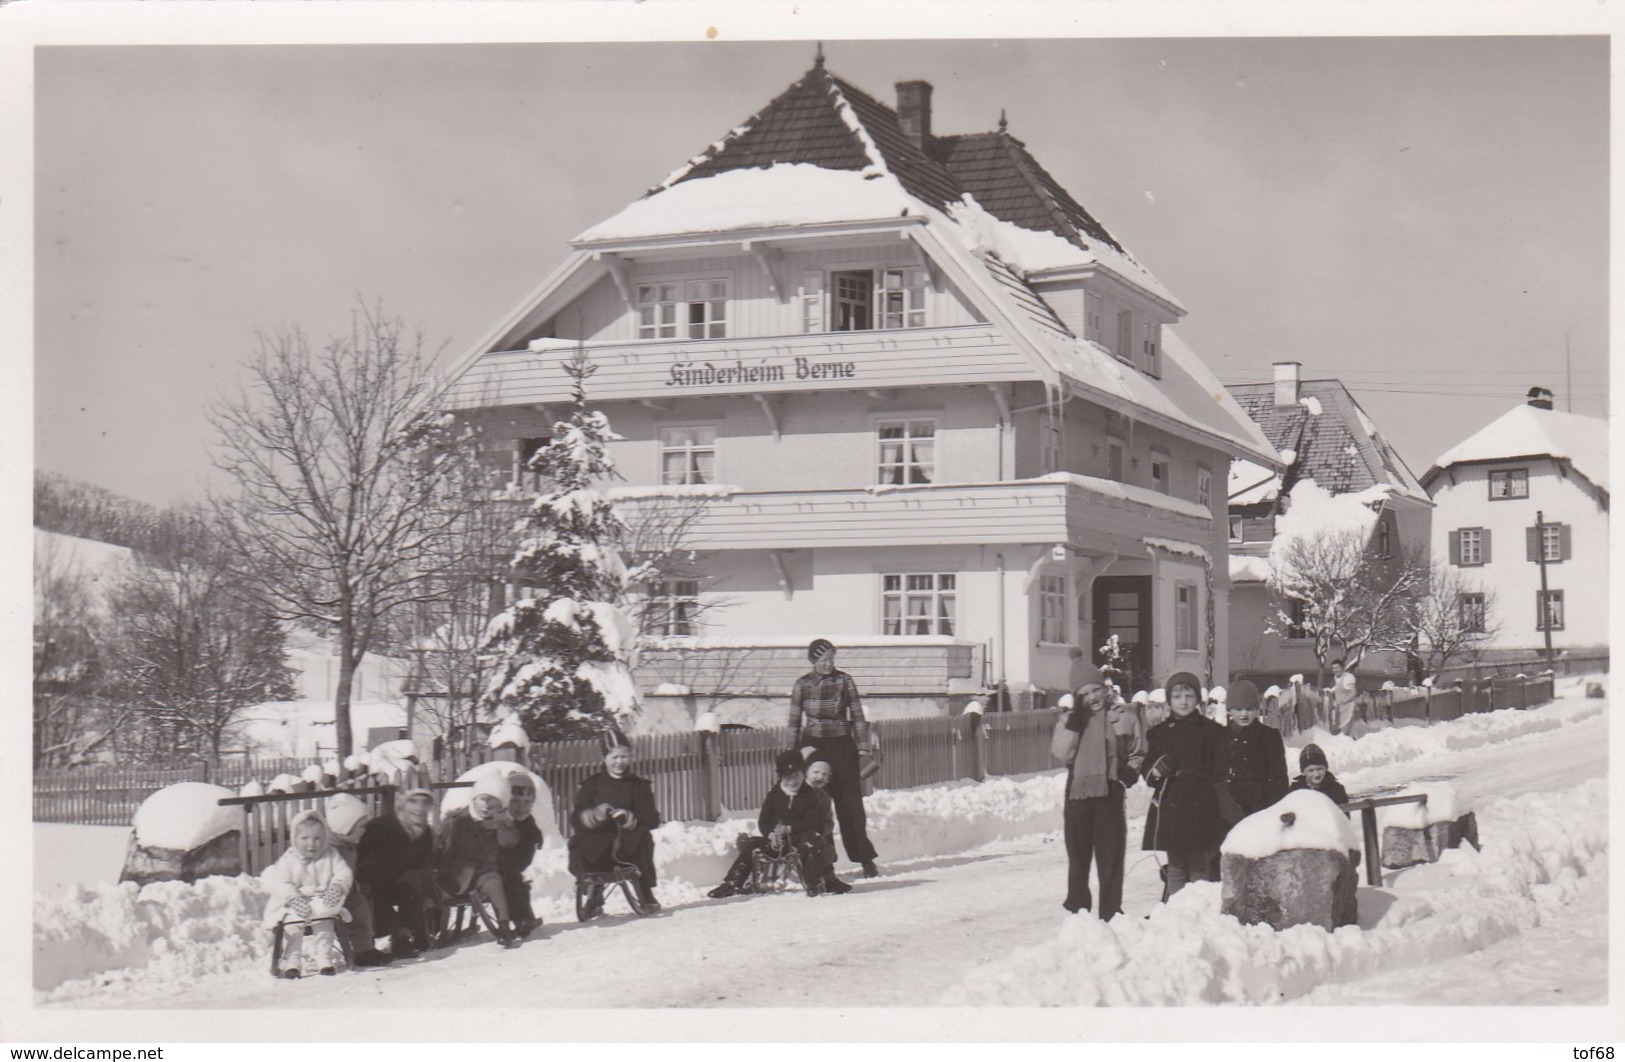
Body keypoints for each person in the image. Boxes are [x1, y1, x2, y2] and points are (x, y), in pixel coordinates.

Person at [1051, 663, 1146, 920]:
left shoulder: (1123, 716)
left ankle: (1111, 913)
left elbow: (1138, 751)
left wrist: (1129, 774)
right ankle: (1079, 913)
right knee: (1078, 859)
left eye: (1096, 690)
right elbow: (1060, 753)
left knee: (1111, 859)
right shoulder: (1069, 721)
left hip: (1110, 794)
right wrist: (1074, 724)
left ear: (1105, 690)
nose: (1092, 698)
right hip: (1078, 797)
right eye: (1084, 694)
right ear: (1077, 697)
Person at [789, 638, 880, 877]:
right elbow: (794, 723)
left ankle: (865, 859)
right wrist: (791, 755)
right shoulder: (803, 684)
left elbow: (858, 717)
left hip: (841, 746)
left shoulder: (844, 681)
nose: (828, 664)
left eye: (831, 659)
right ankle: (823, 860)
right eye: (823, 659)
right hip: (813, 747)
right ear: (813, 661)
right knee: (816, 805)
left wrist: (863, 749)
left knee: (850, 805)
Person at [708, 749, 845, 899]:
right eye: (788, 778)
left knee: (812, 842)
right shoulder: (775, 795)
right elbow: (764, 819)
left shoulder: (809, 795)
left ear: (802, 774)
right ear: (781, 777)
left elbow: (812, 821)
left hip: (800, 839)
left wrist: (791, 829)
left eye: (796, 776)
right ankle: (733, 883)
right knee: (752, 846)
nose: (792, 781)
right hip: (778, 840)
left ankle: (814, 883)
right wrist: (770, 833)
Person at [1140, 670, 1227, 900]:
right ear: (1169, 701)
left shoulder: (1212, 732)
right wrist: (1158, 769)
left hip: (1202, 805)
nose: (1183, 702)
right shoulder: (1159, 734)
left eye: (1188, 696)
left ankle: (1200, 909)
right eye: (1177, 697)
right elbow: (1148, 774)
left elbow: (1221, 768)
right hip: (1172, 807)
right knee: (1176, 865)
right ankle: (1177, 911)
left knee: (1200, 863)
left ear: (1197, 699)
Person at [568, 731, 662, 916]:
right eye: (614, 757)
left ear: (631, 756)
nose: (619, 762)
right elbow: (577, 818)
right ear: (603, 757)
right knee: (580, 843)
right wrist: (594, 816)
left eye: (624, 756)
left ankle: (645, 893)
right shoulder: (591, 786)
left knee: (643, 838)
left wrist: (630, 818)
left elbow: (652, 818)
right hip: (598, 844)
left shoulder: (639, 786)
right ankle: (593, 892)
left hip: (628, 846)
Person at [261, 810, 353, 978]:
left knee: (324, 921)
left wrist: (337, 886)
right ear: (295, 839)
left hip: (322, 900)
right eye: (305, 838)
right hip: (295, 903)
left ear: (324, 839)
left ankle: (324, 959)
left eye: (317, 838)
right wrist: (293, 898)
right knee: (292, 924)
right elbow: (281, 882)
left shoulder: (331, 855)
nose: (311, 843)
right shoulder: (289, 859)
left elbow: (343, 872)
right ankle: (292, 961)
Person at [434, 773, 522, 948]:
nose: (486, 806)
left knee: (494, 884)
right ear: (474, 798)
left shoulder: (500, 823)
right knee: (435, 893)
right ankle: (430, 930)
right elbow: (439, 846)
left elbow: (510, 842)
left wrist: (503, 824)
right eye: (482, 799)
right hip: (455, 874)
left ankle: (504, 925)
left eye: (494, 803)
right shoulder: (456, 820)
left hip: (484, 873)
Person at [355, 787, 436, 960]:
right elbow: (366, 864)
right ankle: (394, 931)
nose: (419, 808)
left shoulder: (425, 832)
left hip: (399, 884)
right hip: (374, 882)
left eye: (425, 802)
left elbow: (423, 863)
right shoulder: (381, 828)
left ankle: (404, 937)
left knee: (414, 882)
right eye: (412, 801)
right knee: (375, 889)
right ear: (401, 803)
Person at [1216, 679, 1290, 826]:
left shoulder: (1269, 737)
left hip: (1261, 808)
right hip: (1228, 812)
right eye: (1238, 709)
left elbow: (1279, 778)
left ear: (1257, 710)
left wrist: (1272, 810)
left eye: (1249, 709)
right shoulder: (1220, 737)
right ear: (1229, 710)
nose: (1244, 714)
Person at [499, 774, 545, 940]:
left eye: (527, 802)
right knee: (514, 884)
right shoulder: (501, 820)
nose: (521, 807)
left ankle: (525, 919)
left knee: (516, 883)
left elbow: (532, 834)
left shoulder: (528, 823)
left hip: (516, 862)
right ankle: (523, 919)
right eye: (515, 801)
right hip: (500, 866)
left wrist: (538, 838)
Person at [1330, 659, 1359, 735]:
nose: (1335, 670)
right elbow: (1339, 688)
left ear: (1342, 668)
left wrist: (1344, 701)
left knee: (1346, 731)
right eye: (1333, 668)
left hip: (1348, 707)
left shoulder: (1348, 677)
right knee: (1339, 730)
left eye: (1337, 667)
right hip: (1340, 708)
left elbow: (1353, 692)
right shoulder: (1336, 677)